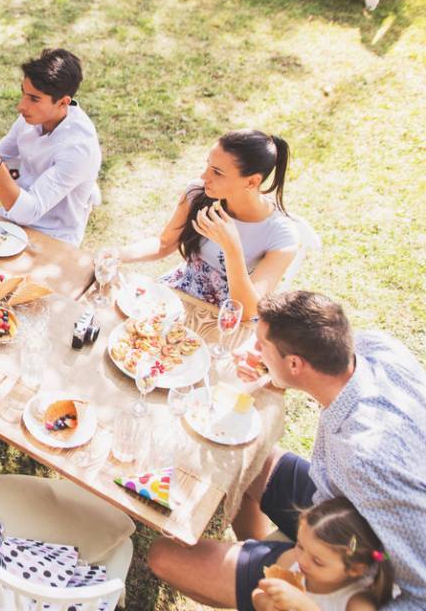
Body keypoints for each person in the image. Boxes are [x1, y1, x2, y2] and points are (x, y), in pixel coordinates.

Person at [148, 291, 426, 611]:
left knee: (163, 557)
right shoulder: (377, 348)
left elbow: (420, 594)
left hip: (354, 563)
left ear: (295, 363)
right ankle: (258, 553)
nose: (252, 350)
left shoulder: (365, 461)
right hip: (336, 503)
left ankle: (264, 581)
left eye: (260, 344)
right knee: (247, 456)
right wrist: (273, 373)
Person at [112, 129, 297, 318]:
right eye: (208, 165)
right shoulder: (198, 194)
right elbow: (164, 244)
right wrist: (117, 255)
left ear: (252, 182)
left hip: (227, 319)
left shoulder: (281, 235)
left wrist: (232, 247)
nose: (203, 176)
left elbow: (249, 310)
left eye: (217, 172)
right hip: (178, 295)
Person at [0, 48, 102, 246]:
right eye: (24, 93)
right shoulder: (32, 118)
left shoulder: (79, 149)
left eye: (34, 99)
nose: (21, 106)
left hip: (54, 238)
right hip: (12, 218)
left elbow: (27, 211)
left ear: (63, 102)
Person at [251, 497, 393, 611]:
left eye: (317, 561)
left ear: (355, 569)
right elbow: (258, 592)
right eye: (300, 546)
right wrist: (265, 604)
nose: (302, 560)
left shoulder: (357, 602)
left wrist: (303, 605)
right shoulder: (290, 561)